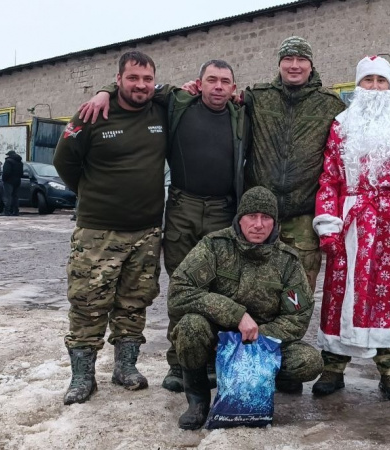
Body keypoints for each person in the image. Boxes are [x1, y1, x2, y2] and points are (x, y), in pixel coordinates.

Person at [79, 59, 246, 393]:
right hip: (183, 208)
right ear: (198, 84)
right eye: (210, 80)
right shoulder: (176, 101)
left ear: (233, 88)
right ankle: (179, 363)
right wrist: (104, 92)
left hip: (222, 211)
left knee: (218, 287)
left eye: (224, 81)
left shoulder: (242, 113)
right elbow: (137, 89)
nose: (217, 86)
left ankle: (211, 362)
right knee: (183, 287)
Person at [311, 56, 390, 400]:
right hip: (350, 222)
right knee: (339, 293)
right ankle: (333, 368)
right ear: (357, 86)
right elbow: (330, 178)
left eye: (382, 81)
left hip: (389, 226)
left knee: (389, 297)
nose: (375, 88)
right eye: (369, 81)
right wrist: (328, 224)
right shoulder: (340, 127)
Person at [182, 36, 344, 293]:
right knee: (253, 288)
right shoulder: (258, 97)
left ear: (311, 65)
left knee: (298, 292)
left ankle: (291, 334)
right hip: (259, 214)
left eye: (301, 60)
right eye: (287, 59)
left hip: (302, 215)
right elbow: (220, 102)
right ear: (279, 63)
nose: (294, 65)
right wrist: (191, 90)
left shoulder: (330, 104)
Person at [53, 51, 168, 405]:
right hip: (98, 233)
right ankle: (82, 377)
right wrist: (92, 193)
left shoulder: (161, 109)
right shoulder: (92, 113)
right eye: (133, 78)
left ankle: (125, 368)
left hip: (147, 232)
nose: (140, 85)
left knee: (134, 303)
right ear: (118, 79)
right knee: (88, 304)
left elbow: (186, 91)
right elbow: (64, 162)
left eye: (147, 79)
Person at [168, 186, 322, 430]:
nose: (258, 224)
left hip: (263, 343)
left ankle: (258, 383)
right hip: (216, 342)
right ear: (240, 219)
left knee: (309, 361)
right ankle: (197, 401)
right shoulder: (215, 246)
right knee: (190, 326)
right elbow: (179, 292)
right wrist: (235, 315)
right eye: (251, 216)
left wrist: (255, 338)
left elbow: (297, 317)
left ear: (275, 222)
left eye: (266, 217)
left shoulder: (287, 262)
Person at [0, 150, 22, 216]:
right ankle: (16, 211)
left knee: (7, 196)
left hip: (9, 181)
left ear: (10, 155)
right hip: (17, 181)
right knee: (15, 196)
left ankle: (7, 211)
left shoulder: (8, 161)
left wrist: (4, 179)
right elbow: (21, 173)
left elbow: (6, 172)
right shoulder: (20, 162)